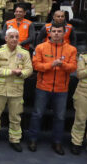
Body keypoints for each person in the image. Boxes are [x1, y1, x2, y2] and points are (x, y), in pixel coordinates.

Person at [27, 23, 77, 154]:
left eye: (59, 31)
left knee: (60, 117)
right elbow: (36, 66)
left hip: (61, 89)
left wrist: (63, 65)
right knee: (37, 115)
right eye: (53, 31)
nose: (56, 33)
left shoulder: (71, 49)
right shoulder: (40, 47)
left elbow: (73, 68)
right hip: (43, 87)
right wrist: (51, 65)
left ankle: (57, 142)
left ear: (64, 33)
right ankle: (32, 140)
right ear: (49, 33)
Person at [0, 28, 32, 150]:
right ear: (6, 38)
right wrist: (12, 71)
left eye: (16, 37)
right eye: (11, 37)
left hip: (16, 91)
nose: (14, 39)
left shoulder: (25, 53)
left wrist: (21, 73)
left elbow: (29, 70)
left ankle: (15, 139)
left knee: (16, 117)